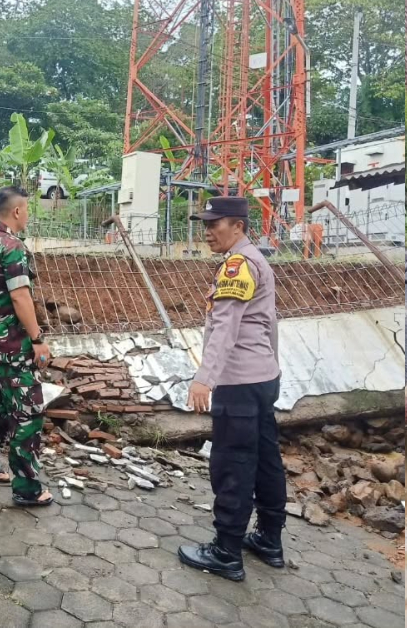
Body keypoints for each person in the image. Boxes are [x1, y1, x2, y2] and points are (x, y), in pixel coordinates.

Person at [178, 197, 285, 583]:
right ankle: (270, 540)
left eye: (215, 224)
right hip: (262, 378)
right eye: (205, 225)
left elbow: (225, 327)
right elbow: (269, 323)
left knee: (233, 464)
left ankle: (226, 552)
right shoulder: (257, 258)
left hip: (238, 382)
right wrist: (272, 367)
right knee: (266, 459)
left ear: (238, 226)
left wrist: (204, 378)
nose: (208, 232)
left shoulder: (237, 266)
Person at [0, 186, 54, 507]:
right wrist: (38, 339)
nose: (28, 215)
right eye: (27, 209)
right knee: (28, 414)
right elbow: (20, 297)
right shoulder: (13, 247)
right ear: (17, 211)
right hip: (13, 349)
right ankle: (27, 488)